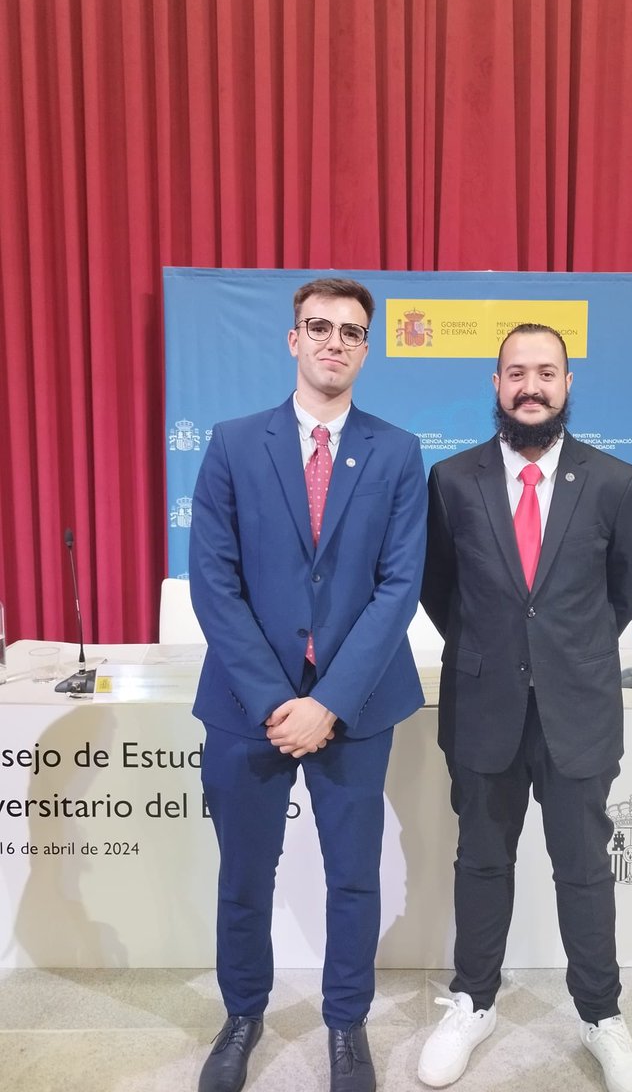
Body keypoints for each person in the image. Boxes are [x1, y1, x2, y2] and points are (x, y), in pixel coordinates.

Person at [189, 277, 427, 1092]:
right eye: (318, 327)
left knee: (354, 877)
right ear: (293, 340)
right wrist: (275, 701)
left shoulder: (396, 451)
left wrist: (328, 702)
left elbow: (399, 587)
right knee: (244, 876)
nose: (334, 341)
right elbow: (213, 585)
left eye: (351, 331)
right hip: (244, 705)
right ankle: (243, 1014)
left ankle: (345, 1024)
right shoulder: (230, 443)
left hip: (356, 707)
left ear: (368, 348)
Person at [417, 323, 632, 1092]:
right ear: (495, 385)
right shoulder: (453, 480)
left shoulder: (613, 481)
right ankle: (473, 1000)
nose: (531, 386)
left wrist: (561, 653)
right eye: (516, 372)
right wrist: (495, 653)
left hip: (578, 708)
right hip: (482, 706)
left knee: (583, 867)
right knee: (482, 860)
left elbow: (627, 590)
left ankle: (601, 1017)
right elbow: (438, 588)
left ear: (566, 384)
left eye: (545, 372)